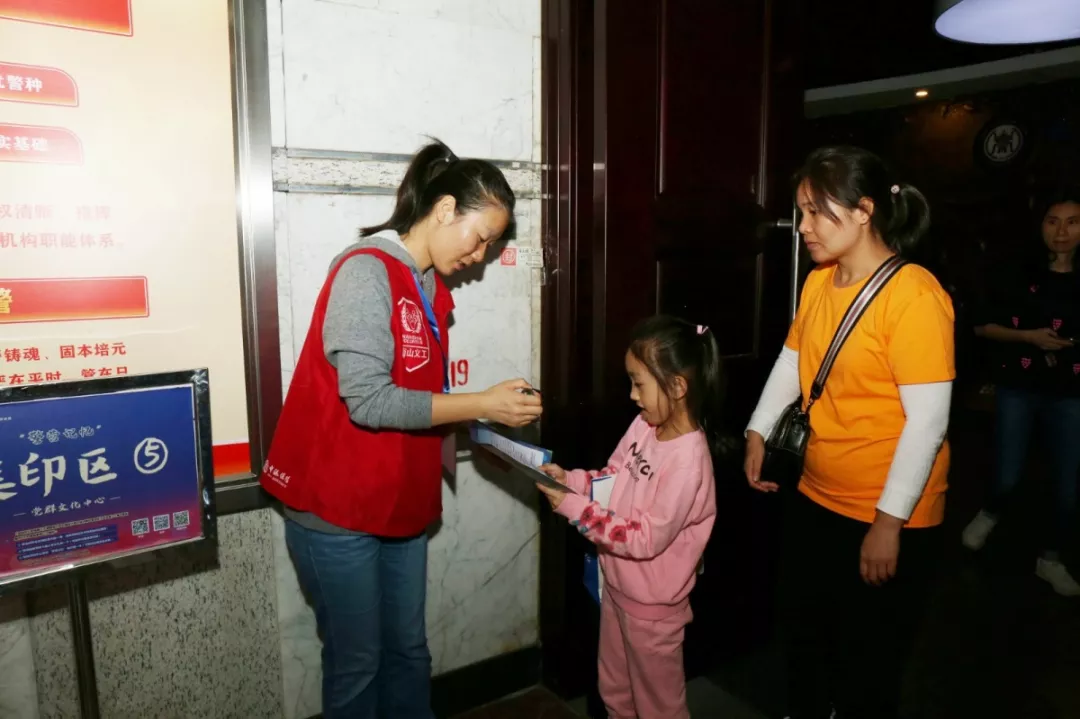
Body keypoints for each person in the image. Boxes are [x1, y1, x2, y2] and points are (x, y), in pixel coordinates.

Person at [259, 139, 543, 719]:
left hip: (399, 501)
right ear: (444, 209)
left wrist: (483, 422)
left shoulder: (428, 285)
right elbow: (369, 400)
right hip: (338, 507)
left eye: (491, 246)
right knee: (358, 664)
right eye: (479, 238)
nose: (480, 257)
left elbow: (418, 398)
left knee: (409, 652)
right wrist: (478, 404)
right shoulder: (366, 271)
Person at [744, 146, 954, 719]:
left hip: (886, 511)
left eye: (816, 212)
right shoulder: (819, 281)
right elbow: (793, 359)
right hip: (818, 493)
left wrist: (888, 523)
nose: (803, 226)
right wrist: (758, 429)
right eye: (802, 211)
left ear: (864, 211)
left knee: (870, 661)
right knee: (807, 638)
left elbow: (928, 423)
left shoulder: (914, 296)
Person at [536, 315, 720, 719]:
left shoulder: (688, 462)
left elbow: (643, 538)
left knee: (659, 707)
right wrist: (571, 481)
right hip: (617, 589)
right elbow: (613, 476)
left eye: (639, 384)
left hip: (653, 612)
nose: (632, 395)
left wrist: (572, 507)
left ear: (677, 387)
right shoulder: (644, 426)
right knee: (615, 691)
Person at [962, 186, 1080, 597]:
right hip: (1020, 385)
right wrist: (1029, 337)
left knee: (1068, 483)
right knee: (1008, 472)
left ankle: (1052, 558)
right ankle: (990, 511)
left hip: (1072, 391)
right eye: (1053, 221)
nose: (1061, 232)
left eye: (1072, 222)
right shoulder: (1017, 272)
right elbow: (981, 327)